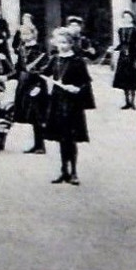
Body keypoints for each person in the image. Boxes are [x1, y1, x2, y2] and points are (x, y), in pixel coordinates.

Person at [44, 31, 94, 185]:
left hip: (72, 104)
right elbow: (44, 73)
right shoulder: (55, 59)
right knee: (61, 138)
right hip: (58, 102)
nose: (61, 46)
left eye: (65, 43)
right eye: (59, 43)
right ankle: (63, 171)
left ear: (71, 44)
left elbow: (86, 83)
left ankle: (73, 172)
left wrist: (77, 89)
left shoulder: (77, 61)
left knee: (70, 139)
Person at [13, 37, 51, 155]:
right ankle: (37, 144)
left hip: (36, 85)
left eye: (28, 32)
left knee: (38, 115)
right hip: (25, 85)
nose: (25, 35)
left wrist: (39, 86)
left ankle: (41, 145)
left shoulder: (40, 50)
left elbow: (45, 71)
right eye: (23, 33)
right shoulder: (22, 49)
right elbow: (19, 69)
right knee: (32, 116)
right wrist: (7, 76)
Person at [108, 10, 136, 110]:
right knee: (124, 80)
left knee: (133, 80)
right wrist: (114, 48)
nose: (126, 19)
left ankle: (133, 102)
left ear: (132, 18)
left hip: (133, 56)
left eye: (128, 17)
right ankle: (127, 102)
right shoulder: (120, 30)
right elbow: (121, 44)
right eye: (124, 17)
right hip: (123, 57)